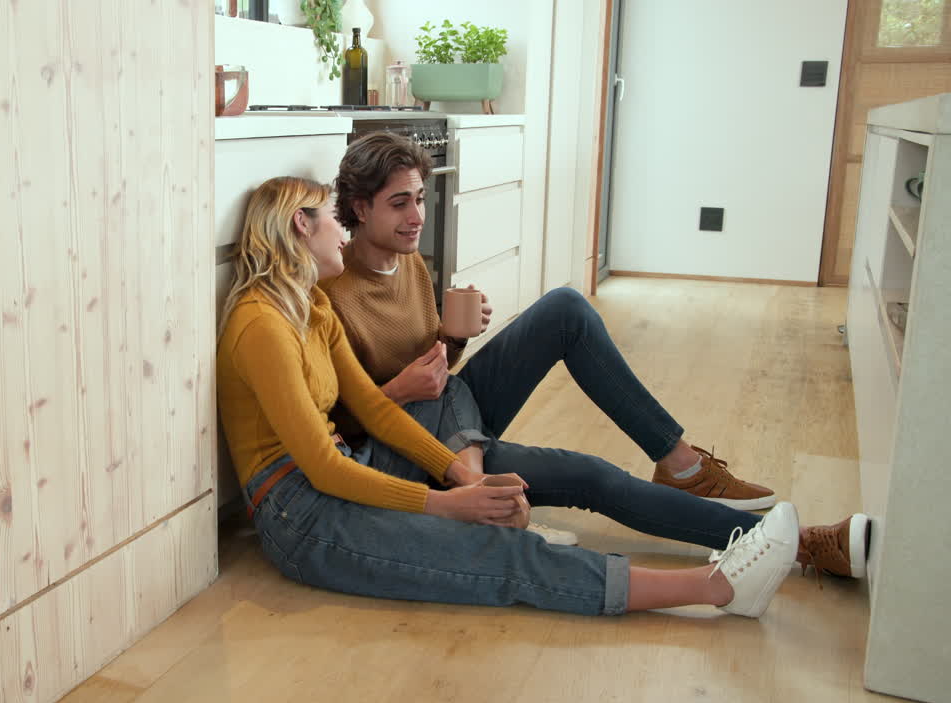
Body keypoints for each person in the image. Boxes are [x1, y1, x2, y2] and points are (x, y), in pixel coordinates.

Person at [217, 174, 818, 619]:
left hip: (353, 466)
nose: (341, 236)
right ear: (302, 224)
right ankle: (718, 586)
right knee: (500, 557)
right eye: (333, 220)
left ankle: (758, 538)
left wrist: (460, 473)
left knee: (573, 469)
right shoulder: (261, 324)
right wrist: (451, 506)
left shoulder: (312, 304)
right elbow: (320, 467)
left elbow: (373, 411)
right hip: (300, 512)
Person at [319, 132, 868, 577]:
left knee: (563, 307)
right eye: (399, 203)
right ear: (360, 209)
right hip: (402, 451)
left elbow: (441, 377)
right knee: (594, 476)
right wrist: (399, 392)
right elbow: (330, 428)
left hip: (448, 420)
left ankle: (680, 462)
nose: (416, 215)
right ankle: (794, 545)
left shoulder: (410, 261)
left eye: (420, 198)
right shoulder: (331, 293)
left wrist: (454, 339)